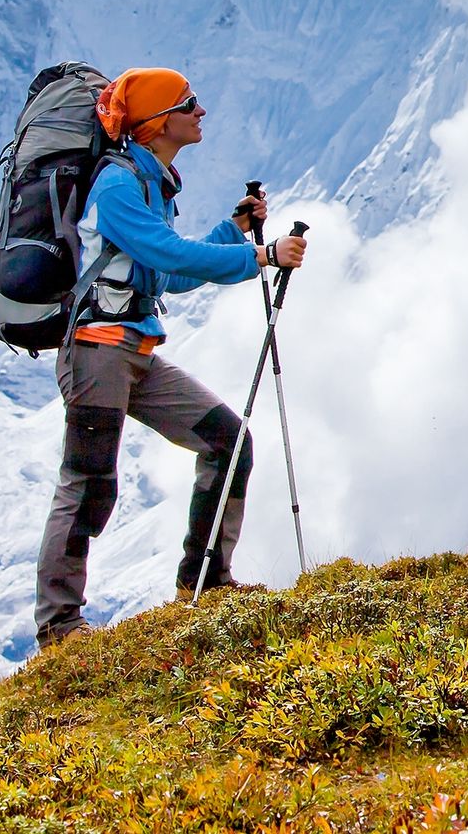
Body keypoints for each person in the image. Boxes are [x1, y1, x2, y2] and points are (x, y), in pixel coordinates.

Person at [33, 67, 306, 649]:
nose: (201, 112)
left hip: (132, 350)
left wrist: (233, 233)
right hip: (96, 352)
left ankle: (206, 583)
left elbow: (167, 273)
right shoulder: (118, 184)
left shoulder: (153, 181)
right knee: (88, 481)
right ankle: (59, 628)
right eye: (190, 104)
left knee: (229, 442)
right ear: (158, 122)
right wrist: (261, 255)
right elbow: (161, 249)